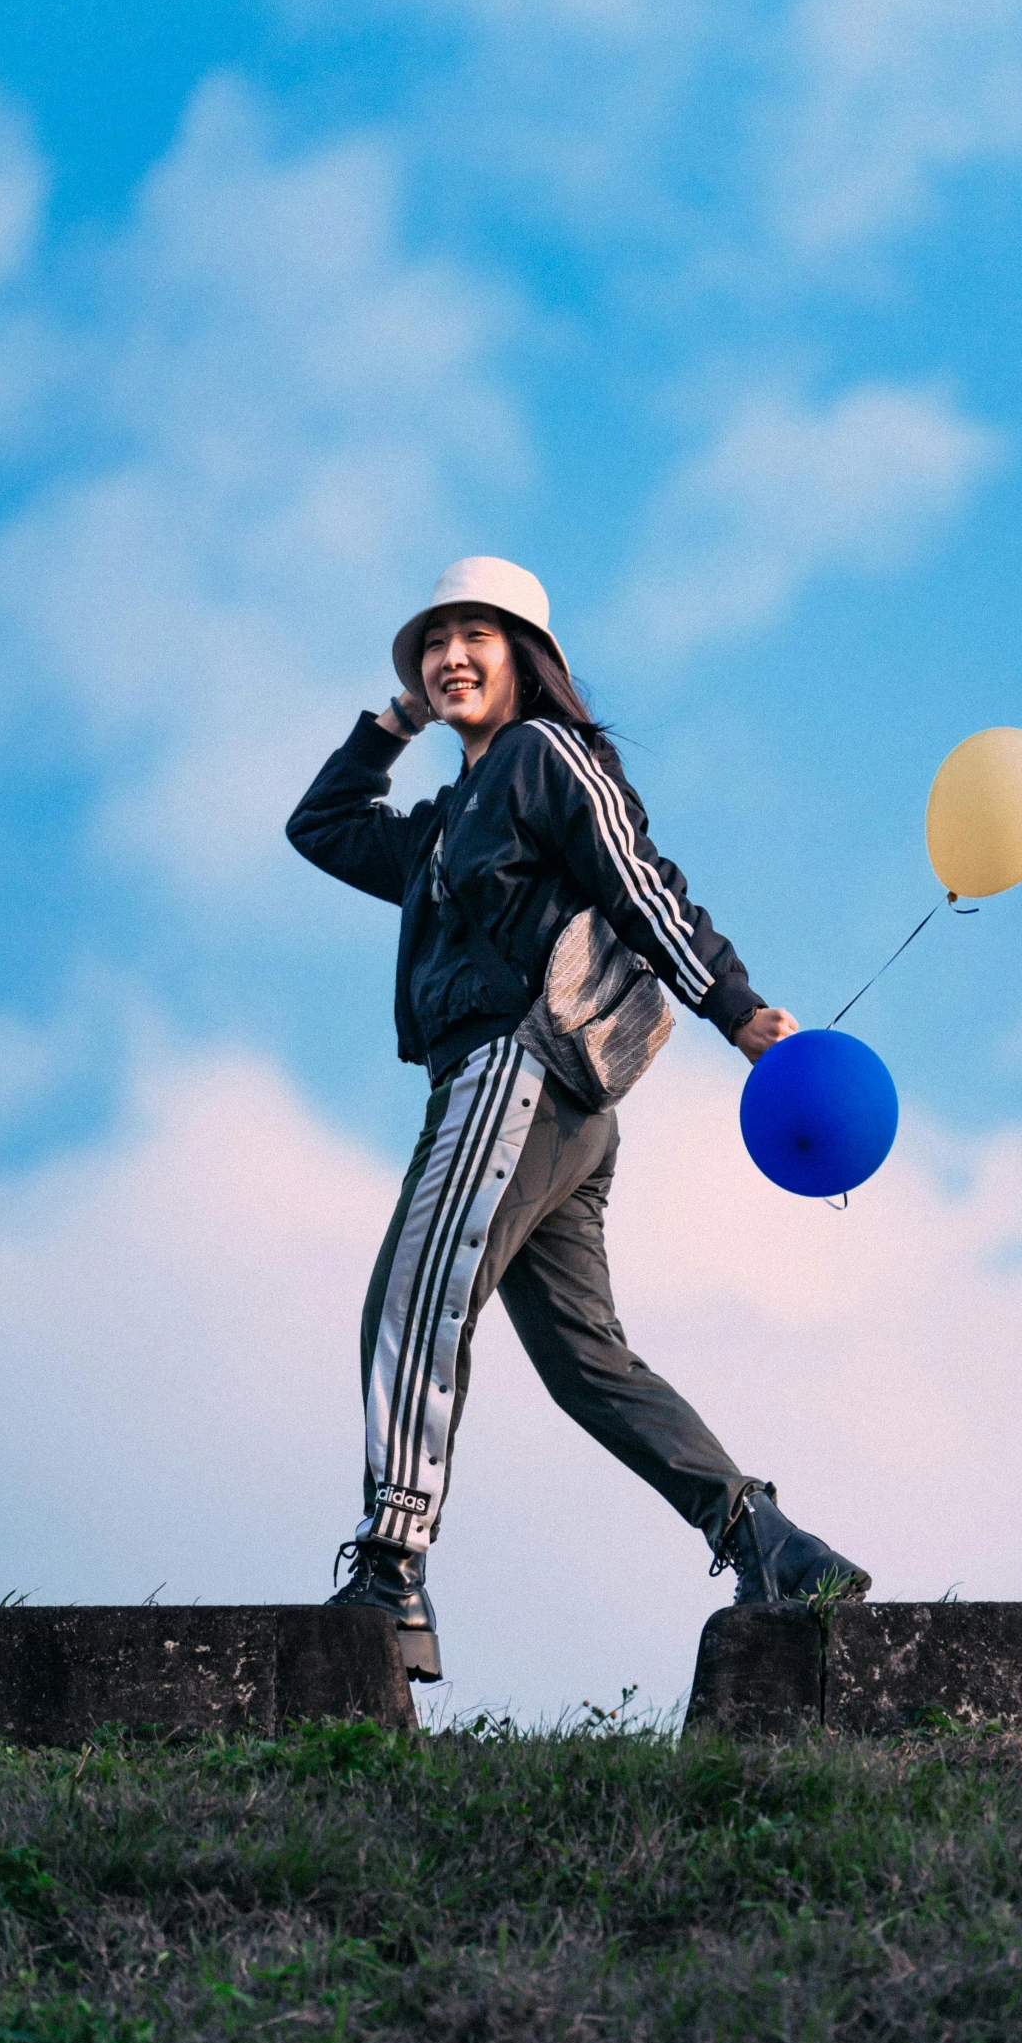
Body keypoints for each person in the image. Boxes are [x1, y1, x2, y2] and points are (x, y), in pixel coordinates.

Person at [286, 557, 870, 1680]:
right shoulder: (441, 823)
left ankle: (389, 1569)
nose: (450, 655)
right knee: (587, 1363)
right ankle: (770, 1541)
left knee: (413, 1291)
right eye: (432, 641)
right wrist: (393, 719)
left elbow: (641, 884)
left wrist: (737, 1011)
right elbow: (319, 824)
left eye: (476, 635)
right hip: (510, 1103)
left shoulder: (541, 757)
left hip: (521, 1076)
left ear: (525, 655)